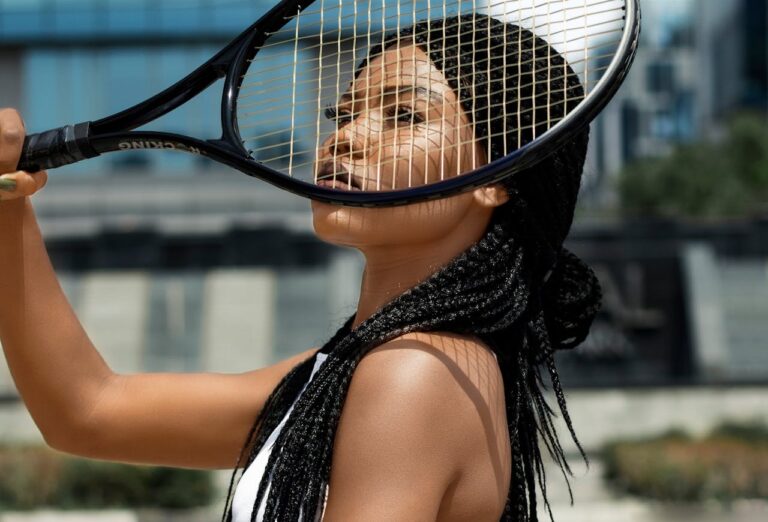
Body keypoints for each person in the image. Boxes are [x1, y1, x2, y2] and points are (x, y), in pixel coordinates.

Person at [0, 14, 600, 522]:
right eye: (344, 113)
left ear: (496, 180)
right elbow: (88, 413)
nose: (346, 138)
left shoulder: (413, 374)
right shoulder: (354, 368)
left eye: (404, 117)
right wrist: (8, 201)